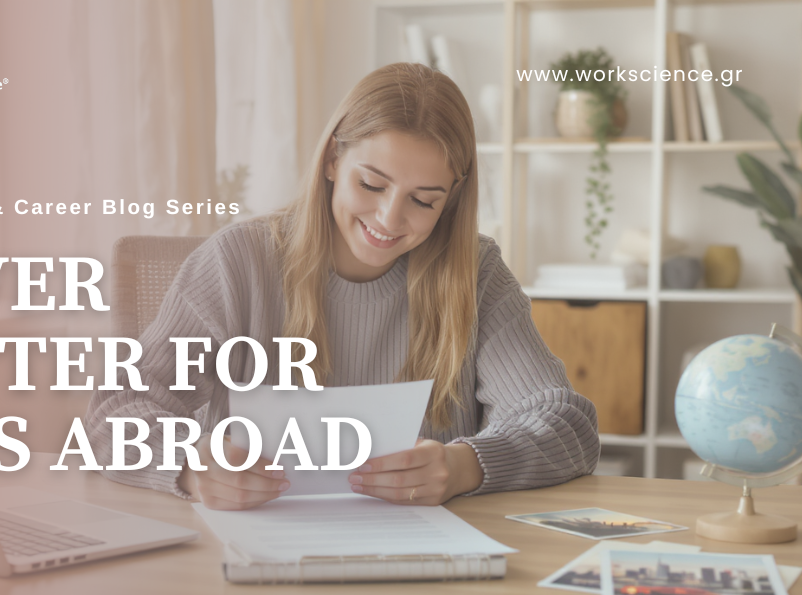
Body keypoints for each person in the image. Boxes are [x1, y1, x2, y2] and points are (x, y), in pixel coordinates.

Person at [86, 62, 599, 510]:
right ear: (333, 159)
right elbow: (115, 411)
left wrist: (467, 466)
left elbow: (565, 422)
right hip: (257, 545)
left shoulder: (475, 272)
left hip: (424, 555)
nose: (389, 218)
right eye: (371, 184)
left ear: (453, 198)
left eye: (424, 200)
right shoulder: (237, 262)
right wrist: (191, 466)